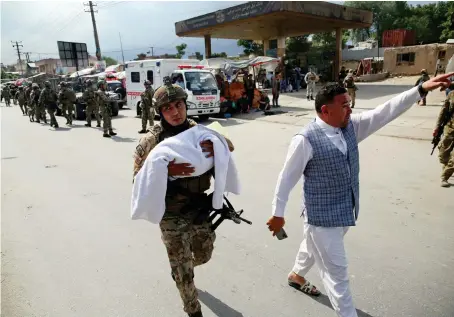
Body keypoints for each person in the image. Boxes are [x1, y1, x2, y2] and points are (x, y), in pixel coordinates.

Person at [267, 73, 453, 317]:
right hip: (321, 219)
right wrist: (277, 214)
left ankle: (297, 275)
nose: (350, 109)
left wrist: (420, 90)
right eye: (344, 105)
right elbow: (286, 178)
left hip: (346, 210)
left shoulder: (350, 128)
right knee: (338, 277)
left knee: (312, 247)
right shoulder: (305, 140)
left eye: (348, 103)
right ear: (325, 110)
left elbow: (385, 111)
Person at [132, 78, 234, 317]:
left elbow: (229, 146)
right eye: (167, 108)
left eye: (178, 105)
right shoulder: (151, 141)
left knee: (203, 254)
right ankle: (192, 307)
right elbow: (138, 180)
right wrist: (166, 172)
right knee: (184, 268)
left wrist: (217, 147)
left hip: (199, 208)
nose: (175, 112)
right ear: (160, 113)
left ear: (185, 105)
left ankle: (181, 271)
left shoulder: (200, 130)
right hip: (171, 213)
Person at [434, 89, 454, 188]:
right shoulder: (451, 94)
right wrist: (437, 127)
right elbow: (443, 111)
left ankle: (444, 177)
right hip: (449, 129)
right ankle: (447, 168)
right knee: (443, 154)